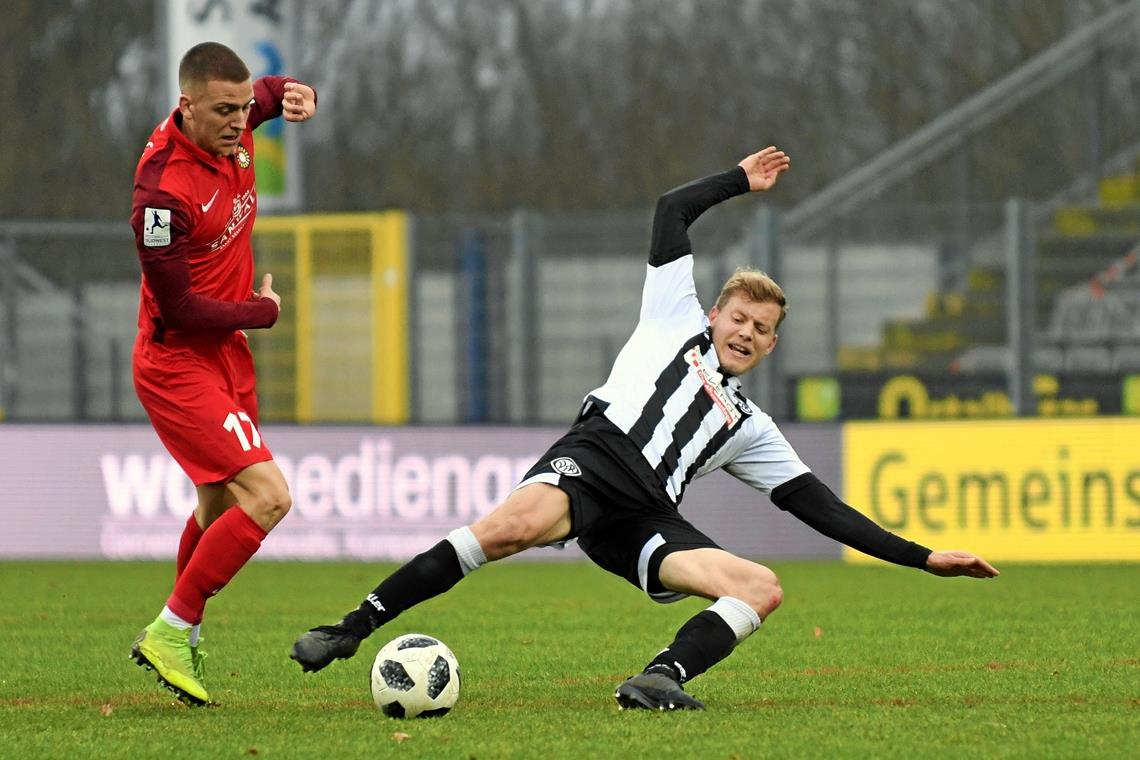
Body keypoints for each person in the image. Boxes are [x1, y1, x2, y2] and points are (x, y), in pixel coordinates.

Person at [291, 146, 999, 710]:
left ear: (773, 346)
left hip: (646, 516)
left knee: (760, 588)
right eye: (739, 319)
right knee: (504, 530)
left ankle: (659, 678)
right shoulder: (673, 315)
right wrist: (738, 182)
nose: (746, 333)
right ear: (716, 314)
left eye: (762, 330)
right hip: (596, 459)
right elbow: (670, 210)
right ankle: (351, 628)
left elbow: (823, 508)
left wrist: (921, 556)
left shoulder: (749, 426)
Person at [128, 41, 317, 706]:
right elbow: (177, 308)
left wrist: (298, 92)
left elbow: (269, 90)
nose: (240, 122)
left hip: (225, 355)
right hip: (177, 360)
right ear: (186, 106)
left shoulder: (236, 115)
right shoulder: (161, 193)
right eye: (223, 111)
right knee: (268, 497)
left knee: (218, 507)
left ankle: (185, 636)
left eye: (243, 110)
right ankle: (171, 630)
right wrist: (261, 311)